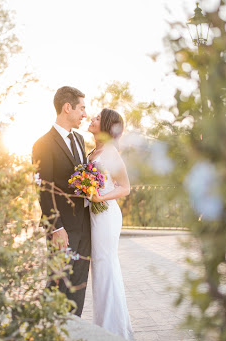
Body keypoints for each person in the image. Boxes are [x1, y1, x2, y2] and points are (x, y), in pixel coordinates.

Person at [32, 86, 90, 317]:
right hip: (62, 227)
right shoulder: (42, 144)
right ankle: (48, 329)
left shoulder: (80, 139)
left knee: (78, 285)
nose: (85, 114)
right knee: (58, 283)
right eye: (82, 108)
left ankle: (72, 330)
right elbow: (43, 188)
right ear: (68, 108)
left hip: (85, 224)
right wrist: (56, 227)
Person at [87, 108, 134, 340]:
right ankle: (105, 328)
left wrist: (99, 197)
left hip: (106, 216)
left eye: (96, 118)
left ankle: (111, 331)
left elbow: (125, 187)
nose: (91, 119)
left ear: (104, 125)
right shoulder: (93, 151)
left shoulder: (111, 153)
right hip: (93, 216)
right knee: (101, 270)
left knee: (106, 268)